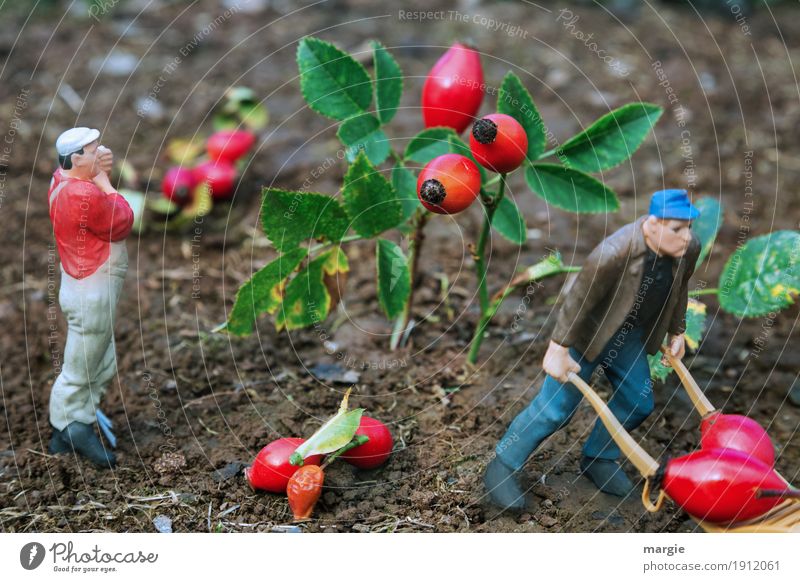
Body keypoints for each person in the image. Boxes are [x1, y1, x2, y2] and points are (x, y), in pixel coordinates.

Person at [484, 189, 701, 511]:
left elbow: (680, 290)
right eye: (676, 229)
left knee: (638, 402)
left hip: (629, 338)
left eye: (688, 227)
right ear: (653, 225)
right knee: (555, 409)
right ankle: (503, 465)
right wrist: (558, 349)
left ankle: (599, 457)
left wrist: (677, 330)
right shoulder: (612, 253)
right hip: (587, 339)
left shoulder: (687, 249)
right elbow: (577, 302)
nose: (685, 237)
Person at [47, 127, 133, 468]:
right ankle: (69, 426)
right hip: (90, 288)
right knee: (82, 364)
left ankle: (83, 413)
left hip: (88, 283)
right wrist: (105, 183)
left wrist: (97, 175)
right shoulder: (83, 194)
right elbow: (121, 221)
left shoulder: (65, 179)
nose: (101, 151)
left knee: (101, 356)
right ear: (77, 158)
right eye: (93, 148)